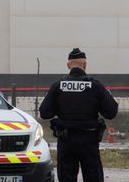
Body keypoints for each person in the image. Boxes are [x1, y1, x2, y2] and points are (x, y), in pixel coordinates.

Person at [39, 48, 118, 182]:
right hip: (89, 140)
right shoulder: (95, 86)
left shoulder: (58, 86)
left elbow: (45, 113)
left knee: (66, 177)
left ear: (68, 65)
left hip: (66, 140)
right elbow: (111, 112)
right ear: (85, 65)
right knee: (93, 176)